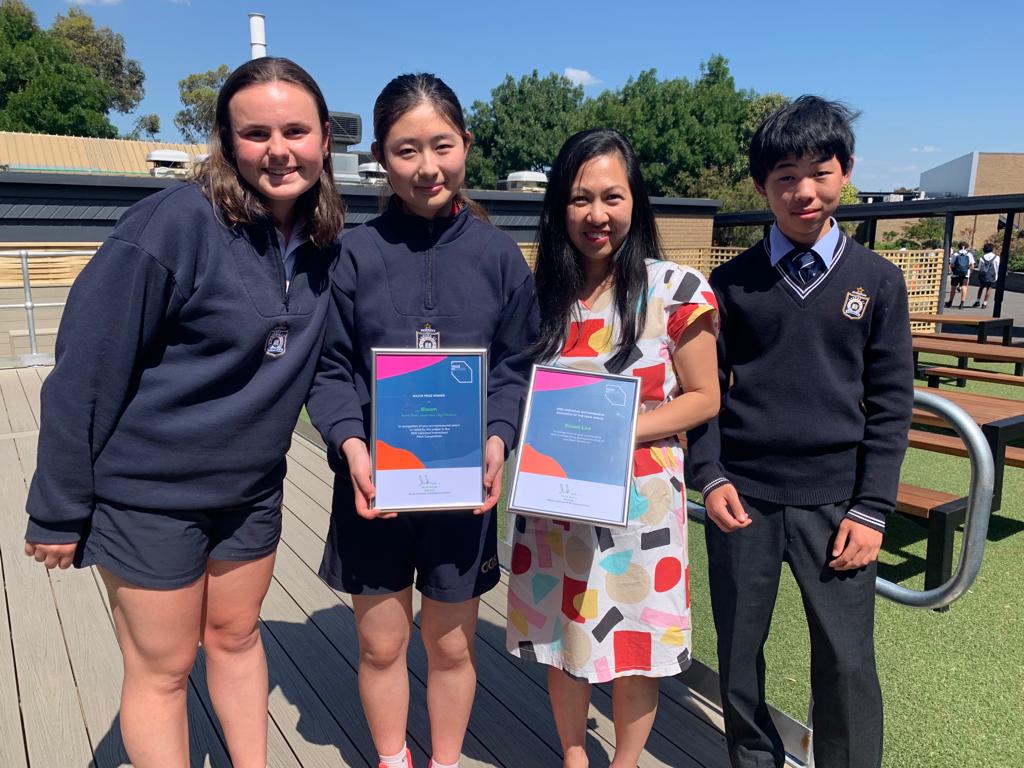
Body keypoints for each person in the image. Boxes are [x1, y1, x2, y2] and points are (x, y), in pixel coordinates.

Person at [23, 57, 344, 768]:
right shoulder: (174, 224)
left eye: (296, 129)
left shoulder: (325, 240)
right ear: (228, 143)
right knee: (164, 670)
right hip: (151, 497)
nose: (279, 149)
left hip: (250, 491)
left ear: (325, 137)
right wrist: (57, 510)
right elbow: (84, 372)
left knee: (236, 637)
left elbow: (326, 363)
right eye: (255, 132)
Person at [305, 73, 537, 768]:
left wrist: (498, 436)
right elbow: (330, 368)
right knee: (381, 645)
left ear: (466, 144)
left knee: (452, 644)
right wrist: (351, 447)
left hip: (463, 488)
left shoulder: (500, 257)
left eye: (441, 145)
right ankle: (391, 757)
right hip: (373, 487)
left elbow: (515, 365)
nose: (427, 167)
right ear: (380, 155)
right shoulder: (350, 252)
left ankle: (442, 759)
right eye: (407, 150)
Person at [687, 96, 913, 768]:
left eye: (820, 171)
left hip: (838, 502)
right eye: (785, 176)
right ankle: (754, 760)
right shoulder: (727, 286)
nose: (803, 191)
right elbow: (703, 396)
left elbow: (892, 404)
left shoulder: (879, 282)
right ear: (761, 186)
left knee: (846, 664)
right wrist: (712, 473)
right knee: (738, 655)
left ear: (846, 172)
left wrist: (872, 509)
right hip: (744, 498)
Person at [505, 128, 720, 768]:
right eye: (579, 199)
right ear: (558, 208)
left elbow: (704, 396)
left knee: (635, 644)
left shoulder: (675, 288)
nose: (596, 215)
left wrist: (616, 426)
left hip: (641, 505)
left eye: (612, 197)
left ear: (636, 202)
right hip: (555, 501)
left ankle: (624, 762)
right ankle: (574, 755)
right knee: (567, 640)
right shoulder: (540, 295)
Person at [946, 241, 975, 308]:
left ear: (959, 247)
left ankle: (950, 302)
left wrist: (953, 270)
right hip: (965, 274)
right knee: (964, 287)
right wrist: (969, 272)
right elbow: (972, 265)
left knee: (953, 287)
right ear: (967, 247)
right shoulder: (969, 254)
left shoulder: (956, 254)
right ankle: (962, 303)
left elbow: (952, 264)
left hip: (955, 273)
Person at [973, 243, 999, 308]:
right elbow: (997, 267)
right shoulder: (996, 257)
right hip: (992, 276)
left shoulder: (982, 257)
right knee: (989, 288)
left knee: (981, 287)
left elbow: (979, 268)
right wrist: (996, 276)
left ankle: (977, 301)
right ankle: (985, 303)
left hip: (983, 275)